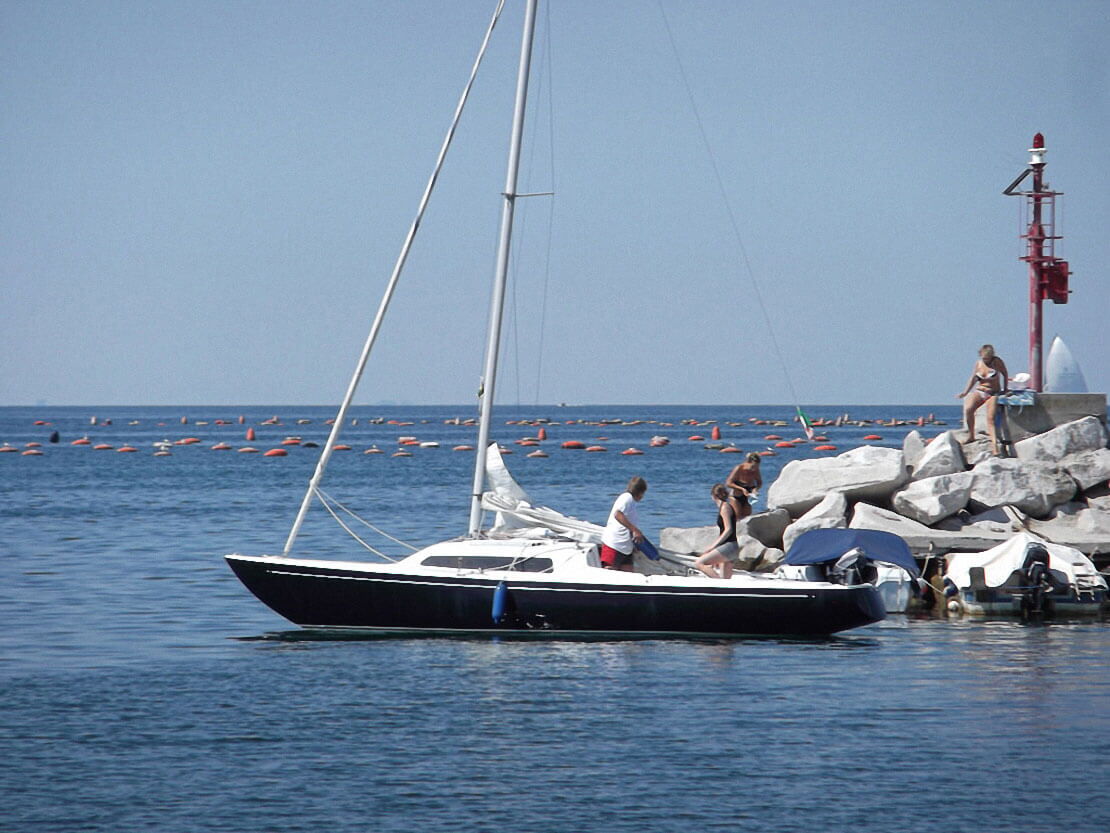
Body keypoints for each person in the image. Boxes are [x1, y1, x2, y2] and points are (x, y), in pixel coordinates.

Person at [956, 344, 1009, 455]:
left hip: (993, 392)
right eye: (984, 358)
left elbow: (1005, 373)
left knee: (990, 418)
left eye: (988, 358)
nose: (986, 360)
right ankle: (971, 436)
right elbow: (974, 378)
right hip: (980, 391)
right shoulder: (978, 364)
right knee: (969, 410)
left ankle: (994, 446)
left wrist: (1005, 388)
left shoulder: (997, 362)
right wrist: (965, 392)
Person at [599, 476, 647, 571]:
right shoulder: (626, 498)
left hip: (625, 546)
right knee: (610, 573)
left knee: (628, 576)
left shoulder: (631, 502)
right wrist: (635, 530)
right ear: (640, 492)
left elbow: (627, 522)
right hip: (614, 544)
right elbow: (617, 514)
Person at [694, 484, 739, 579]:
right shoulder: (725, 506)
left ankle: (717, 582)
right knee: (726, 582)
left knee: (699, 563)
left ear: (713, 496)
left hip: (729, 546)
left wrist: (712, 547)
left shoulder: (724, 507)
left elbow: (728, 529)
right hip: (731, 547)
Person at [725, 452, 763, 520]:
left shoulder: (755, 470)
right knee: (737, 516)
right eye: (752, 466)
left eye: (757, 466)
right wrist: (742, 489)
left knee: (746, 517)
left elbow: (759, 482)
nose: (753, 469)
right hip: (736, 496)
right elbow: (728, 483)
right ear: (748, 462)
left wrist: (756, 489)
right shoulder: (739, 468)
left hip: (748, 496)